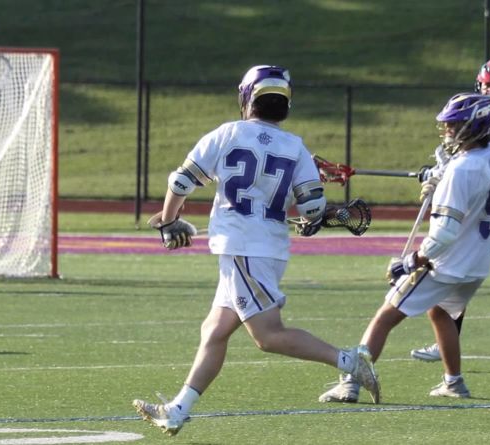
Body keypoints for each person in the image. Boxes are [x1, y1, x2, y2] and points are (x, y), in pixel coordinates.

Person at [132, 65, 380, 436]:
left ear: (247, 97)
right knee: (214, 330)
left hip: (243, 248)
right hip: (266, 249)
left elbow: (181, 180)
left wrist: (169, 221)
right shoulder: (295, 146)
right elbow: (312, 208)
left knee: (268, 336)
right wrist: (315, 217)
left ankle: (350, 362)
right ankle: (178, 410)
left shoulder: (227, 133)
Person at [318, 92, 490, 403]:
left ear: (475, 125)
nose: (448, 129)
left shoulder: (462, 169)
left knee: (386, 315)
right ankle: (454, 382)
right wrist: (440, 178)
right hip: (476, 266)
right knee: (440, 312)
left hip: (444, 264)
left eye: (455, 124)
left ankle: (351, 384)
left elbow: (445, 233)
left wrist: (413, 260)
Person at [411, 59, 490, 362]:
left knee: (459, 270)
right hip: (475, 209)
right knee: (456, 273)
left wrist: (441, 172)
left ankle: (447, 346)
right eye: (486, 85)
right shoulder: (476, 118)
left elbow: (470, 153)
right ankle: (446, 342)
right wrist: (437, 171)